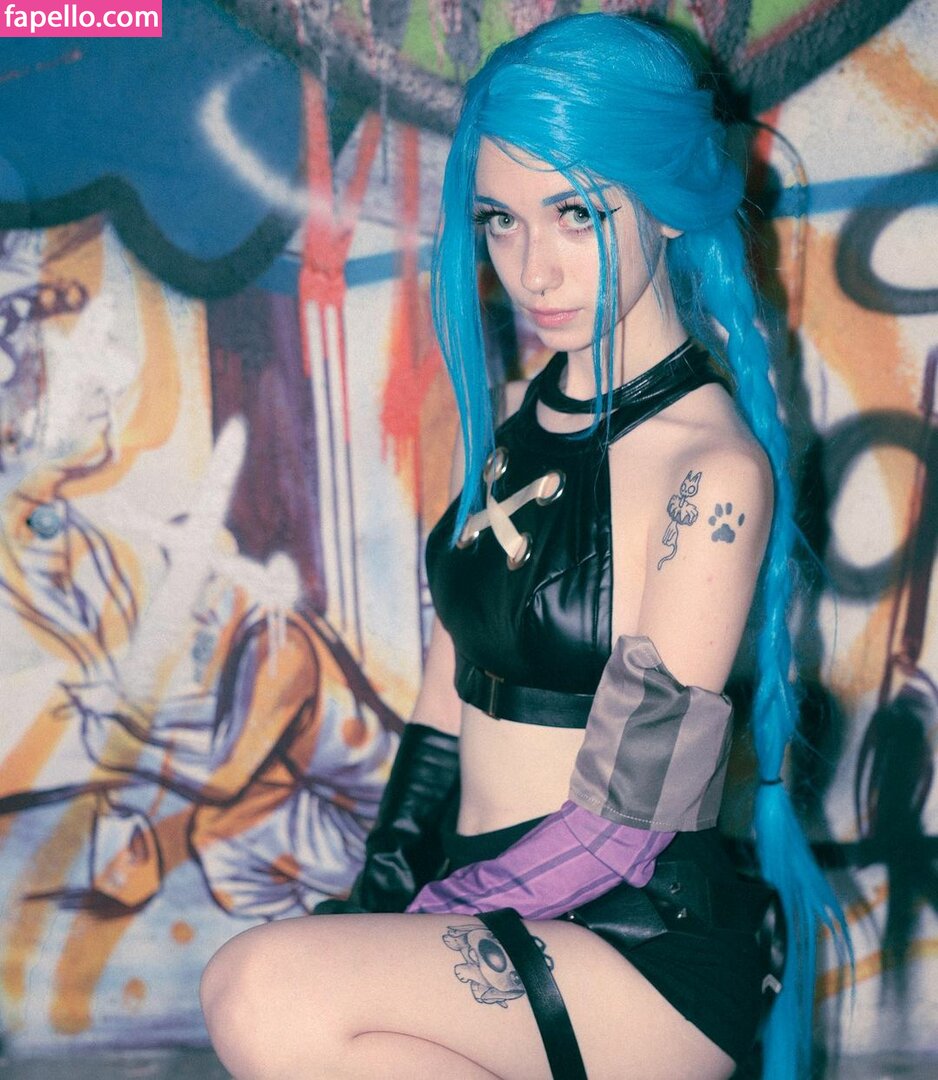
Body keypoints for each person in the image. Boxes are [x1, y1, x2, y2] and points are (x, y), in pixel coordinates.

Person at [200, 13, 848, 1079]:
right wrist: (382, 888)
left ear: (666, 205)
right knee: (279, 993)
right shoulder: (514, 413)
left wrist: (429, 914)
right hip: (495, 919)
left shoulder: (709, 473)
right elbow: (442, 697)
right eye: (500, 220)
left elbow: (628, 819)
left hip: (636, 940)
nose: (532, 269)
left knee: (262, 988)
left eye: (575, 214)